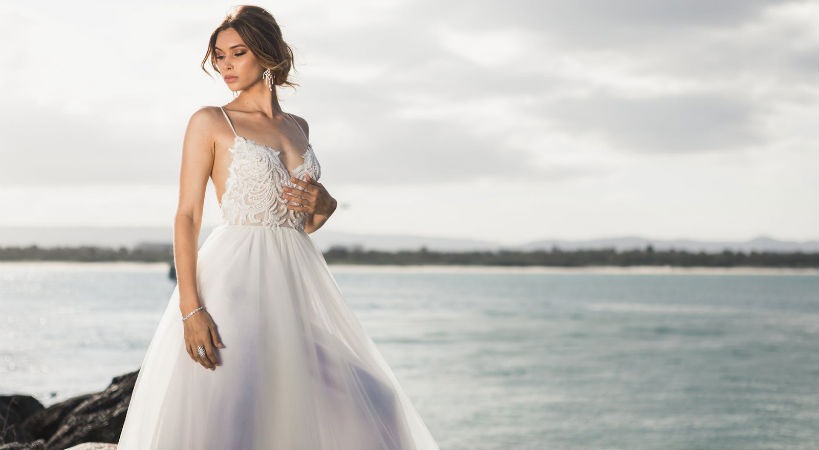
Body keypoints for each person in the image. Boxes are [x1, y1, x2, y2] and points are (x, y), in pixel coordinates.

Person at [116, 5, 440, 449]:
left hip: (293, 286)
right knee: (235, 413)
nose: (226, 66)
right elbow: (187, 215)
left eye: (238, 53)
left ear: (267, 53)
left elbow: (298, 225)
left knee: (375, 400)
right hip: (234, 284)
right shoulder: (211, 121)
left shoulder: (298, 127)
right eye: (220, 56)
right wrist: (190, 310)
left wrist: (326, 204)